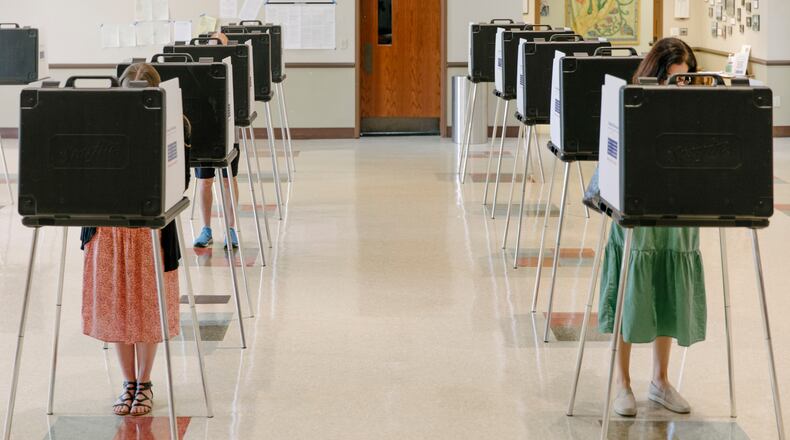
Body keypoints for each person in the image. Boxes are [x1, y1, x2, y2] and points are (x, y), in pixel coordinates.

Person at [597, 37, 706, 417]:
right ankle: (622, 382)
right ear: (655, 75)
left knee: (667, 290)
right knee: (631, 292)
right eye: (674, 79)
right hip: (636, 217)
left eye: (686, 79)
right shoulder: (630, 102)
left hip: (676, 219)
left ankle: (660, 381)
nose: (680, 86)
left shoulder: (694, 111)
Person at [81, 63, 190, 416]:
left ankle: (145, 382)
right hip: (109, 231)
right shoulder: (102, 125)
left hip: (150, 232)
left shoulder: (176, 127)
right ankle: (128, 382)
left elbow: (180, 182)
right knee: (115, 307)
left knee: (146, 309)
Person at [193, 31, 241, 249]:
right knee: (205, 181)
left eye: (219, 45)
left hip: (229, 131)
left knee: (228, 180)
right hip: (204, 133)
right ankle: (206, 229)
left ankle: (231, 229)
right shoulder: (198, 70)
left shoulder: (234, 68)